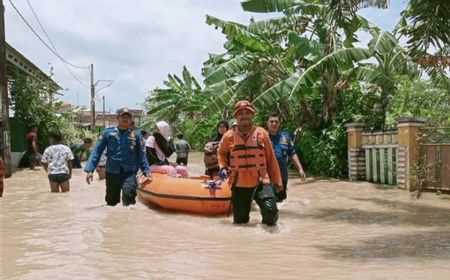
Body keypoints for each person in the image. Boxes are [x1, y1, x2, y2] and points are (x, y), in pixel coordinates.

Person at [218, 100, 282, 226]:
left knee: (271, 212)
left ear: (252, 115)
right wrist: (223, 167)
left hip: (261, 181)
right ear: (236, 117)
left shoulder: (262, 133)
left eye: (247, 113)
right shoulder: (228, 136)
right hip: (239, 182)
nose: (244, 115)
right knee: (240, 223)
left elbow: (271, 159)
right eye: (240, 113)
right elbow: (221, 153)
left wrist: (277, 181)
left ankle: (267, 238)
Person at [84, 107, 152, 206]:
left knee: (129, 198)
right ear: (117, 118)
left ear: (131, 120)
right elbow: (97, 151)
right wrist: (90, 170)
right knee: (112, 202)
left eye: (128, 117)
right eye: (123, 116)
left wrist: (147, 171)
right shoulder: (107, 133)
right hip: (112, 172)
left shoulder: (136, 136)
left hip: (129, 172)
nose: (125, 118)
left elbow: (141, 155)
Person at [267, 113, 306, 202]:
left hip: (282, 176)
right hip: (267, 176)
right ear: (267, 123)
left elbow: (292, 154)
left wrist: (300, 169)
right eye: (271, 121)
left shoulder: (285, 137)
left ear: (279, 123)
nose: (274, 124)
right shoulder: (262, 137)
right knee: (269, 202)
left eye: (276, 122)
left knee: (280, 201)